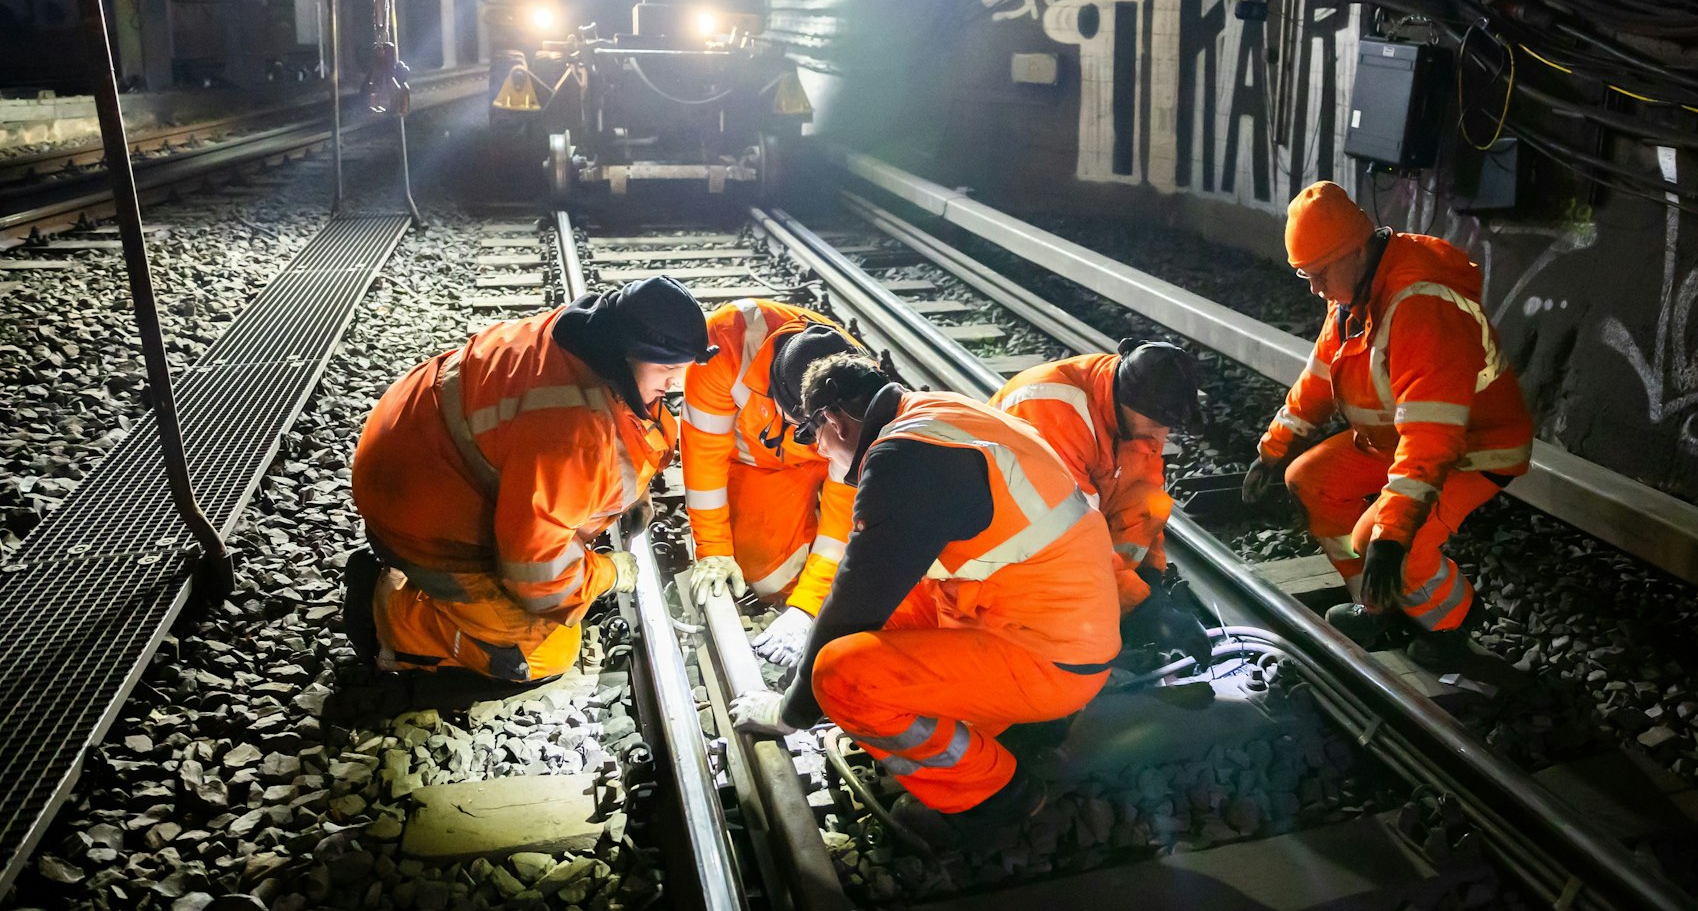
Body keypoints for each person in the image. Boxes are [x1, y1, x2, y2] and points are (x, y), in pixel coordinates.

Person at [729, 352, 1119, 847]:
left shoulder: (902, 459)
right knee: (889, 613)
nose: (820, 452)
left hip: (1052, 662)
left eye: (813, 436)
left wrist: (793, 710)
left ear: (833, 420)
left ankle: (996, 798)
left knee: (841, 677)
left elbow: (856, 600)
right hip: (1047, 624)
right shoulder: (937, 415)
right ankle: (1017, 730)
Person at [342, 275, 715, 682]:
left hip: (408, 443)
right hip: (416, 511)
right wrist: (607, 574)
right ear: (626, 355)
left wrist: (633, 493)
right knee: (545, 652)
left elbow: (625, 431)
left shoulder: (586, 337)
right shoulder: (574, 433)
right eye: (667, 368)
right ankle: (389, 617)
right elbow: (536, 576)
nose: (676, 383)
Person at [1243, 182, 1533, 666]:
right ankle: (1376, 605)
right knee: (1309, 481)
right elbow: (1320, 375)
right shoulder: (1353, 293)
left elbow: (1431, 435)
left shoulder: (1421, 305)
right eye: (1306, 275)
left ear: (1356, 251)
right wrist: (1274, 448)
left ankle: (1452, 625)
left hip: (1471, 448)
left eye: (1320, 273)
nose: (1315, 288)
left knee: (1384, 540)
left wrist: (1392, 535)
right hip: (1401, 439)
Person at [990, 341, 1213, 666]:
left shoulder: (1132, 407)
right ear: (1127, 401)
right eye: (1155, 424)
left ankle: (1114, 605)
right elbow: (1070, 537)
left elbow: (1143, 493)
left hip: (1064, 520)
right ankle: (1079, 624)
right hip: (1009, 538)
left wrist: (1151, 577)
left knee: (1147, 501)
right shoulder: (1054, 412)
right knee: (1076, 662)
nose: (1160, 434)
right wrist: (1143, 609)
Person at [680, 301, 864, 666]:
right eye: (806, 431)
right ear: (775, 395)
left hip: (829, 463)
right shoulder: (724, 345)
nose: (816, 441)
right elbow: (704, 458)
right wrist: (714, 549)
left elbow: (844, 513)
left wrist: (808, 607)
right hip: (759, 461)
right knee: (766, 576)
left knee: (859, 549)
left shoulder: (855, 392)